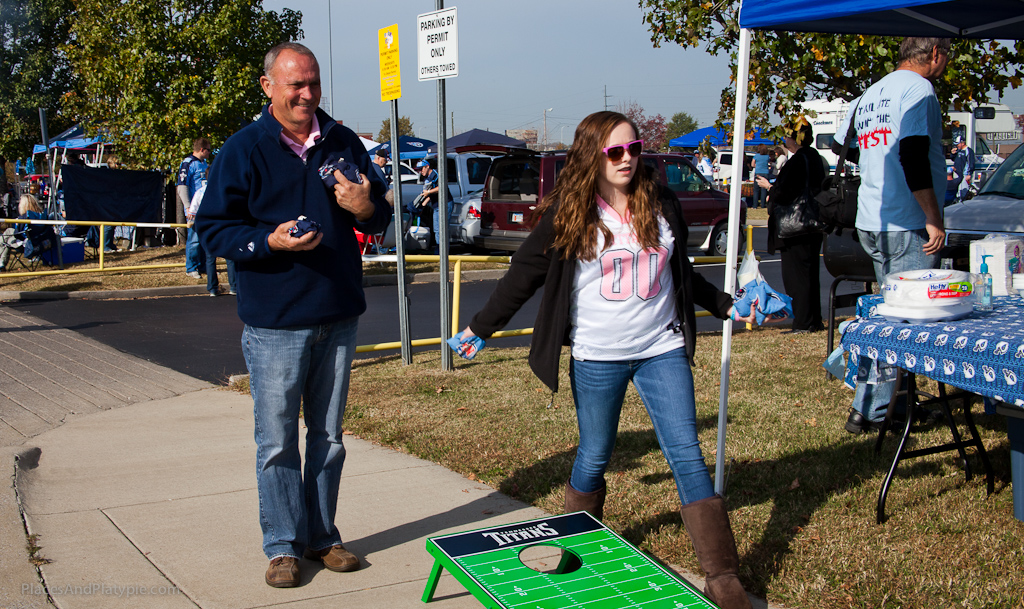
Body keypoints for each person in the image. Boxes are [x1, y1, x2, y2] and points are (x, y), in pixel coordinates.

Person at [457, 111, 761, 609]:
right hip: (598, 355)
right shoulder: (570, 212)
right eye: (614, 151)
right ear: (591, 156)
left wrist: (725, 305)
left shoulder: (660, 201)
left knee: (686, 453)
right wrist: (479, 328)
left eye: (634, 149)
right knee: (595, 454)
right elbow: (523, 275)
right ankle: (575, 549)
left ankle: (723, 577)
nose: (626, 159)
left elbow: (681, 273)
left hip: (661, 348)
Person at [195, 42, 389, 589]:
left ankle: (321, 537)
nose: (307, 94)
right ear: (268, 87)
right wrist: (269, 241)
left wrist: (365, 208)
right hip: (275, 322)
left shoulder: (344, 142)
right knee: (277, 441)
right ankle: (282, 546)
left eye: (313, 83)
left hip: (338, 315)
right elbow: (212, 229)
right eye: (295, 84)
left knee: (328, 437)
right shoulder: (244, 148)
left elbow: (380, 216)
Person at [832, 36, 950, 434]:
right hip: (906, 220)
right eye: (946, 56)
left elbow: (844, 146)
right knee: (905, 323)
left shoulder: (871, 93)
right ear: (934, 53)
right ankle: (876, 408)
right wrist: (932, 216)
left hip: (873, 217)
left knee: (889, 316)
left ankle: (893, 403)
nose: (946, 63)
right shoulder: (919, 89)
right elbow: (913, 154)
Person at [756, 117, 826, 334]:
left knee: (796, 277)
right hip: (812, 223)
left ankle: (803, 322)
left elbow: (786, 191)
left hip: (796, 226)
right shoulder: (815, 158)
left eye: (787, 136)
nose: (785, 140)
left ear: (795, 138)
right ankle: (813, 319)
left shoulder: (798, 161)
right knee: (810, 274)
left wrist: (770, 188)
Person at [176, 138, 211, 279]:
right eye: (208, 150)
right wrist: (188, 206)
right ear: (202, 149)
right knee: (194, 239)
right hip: (194, 209)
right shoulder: (188, 163)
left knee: (203, 238)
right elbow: (182, 186)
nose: (209, 153)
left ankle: (203, 266)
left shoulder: (204, 163)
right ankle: (191, 267)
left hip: (205, 207)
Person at [0, 194, 57, 270]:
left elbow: (18, 235)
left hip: (28, 244)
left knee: (6, 240)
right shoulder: (42, 215)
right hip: (40, 242)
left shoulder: (24, 217)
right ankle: (1, 262)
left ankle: (1, 262)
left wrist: (17, 224)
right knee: (8, 233)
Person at [951, 135, 975, 201]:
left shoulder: (969, 151)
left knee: (963, 190)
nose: (957, 146)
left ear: (963, 143)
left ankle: (963, 201)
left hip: (964, 174)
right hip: (956, 173)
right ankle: (958, 200)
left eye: (958, 144)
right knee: (957, 190)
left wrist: (969, 174)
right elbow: (953, 159)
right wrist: (953, 154)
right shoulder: (958, 150)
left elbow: (971, 162)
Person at [749, 144, 771, 209]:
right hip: (766, 173)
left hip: (758, 173)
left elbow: (752, 164)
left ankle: (755, 205)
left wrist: (757, 166)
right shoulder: (767, 156)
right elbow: (769, 163)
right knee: (764, 189)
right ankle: (763, 205)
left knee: (756, 190)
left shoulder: (756, 156)